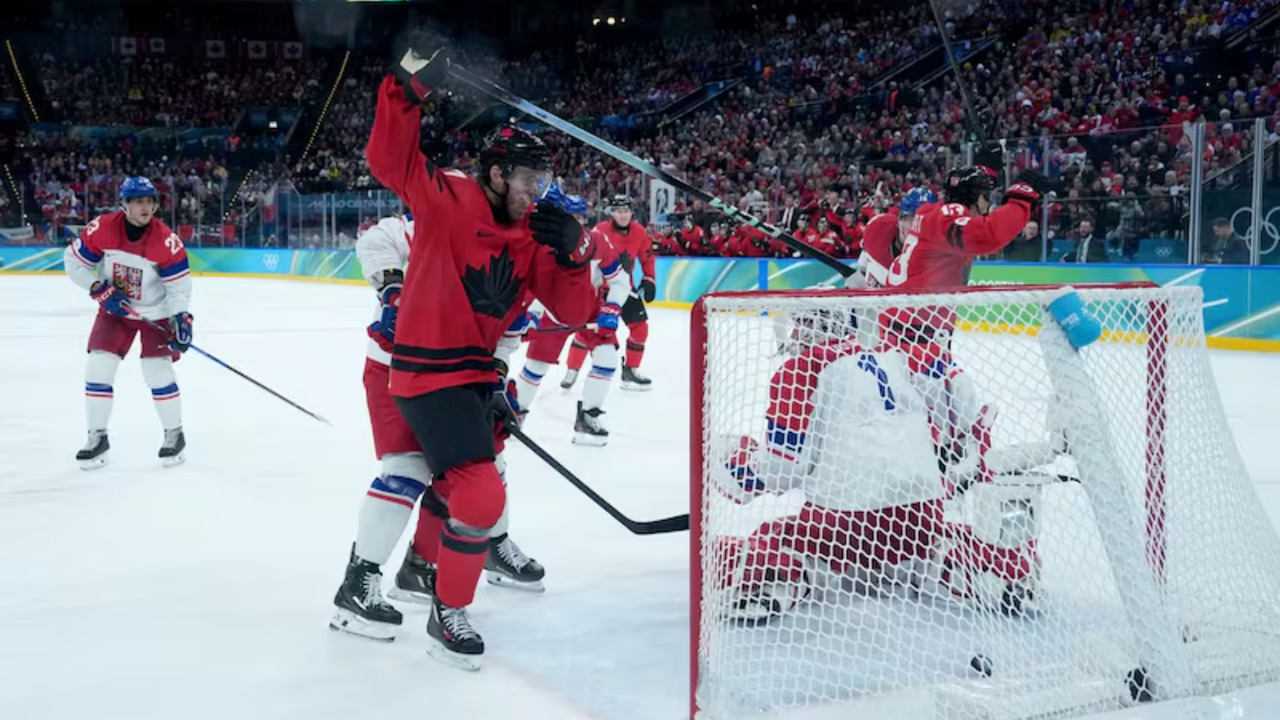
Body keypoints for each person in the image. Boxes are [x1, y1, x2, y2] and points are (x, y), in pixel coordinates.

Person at [360, 41, 597, 670]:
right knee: (480, 495)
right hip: (424, 372)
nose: (536, 190)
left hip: (473, 377)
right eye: (527, 179)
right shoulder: (450, 198)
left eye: (542, 180)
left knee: (473, 487)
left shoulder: (536, 233)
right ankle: (447, 608)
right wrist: (408, 88)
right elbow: (389, 159)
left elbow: (574, 313)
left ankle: (424, 572)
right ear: (495, 175)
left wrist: (574, 256)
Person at [715, 304, 1049, 622]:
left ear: (809, 328)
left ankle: (770, 588)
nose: (794, 333)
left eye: (799, 324)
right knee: (934, 546)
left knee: (774, 536)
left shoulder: (801, 371)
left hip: (841, 524)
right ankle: (995, 580)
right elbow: (957, 416)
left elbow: (780, 471)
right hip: (920, 515)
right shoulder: (896, 354)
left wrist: (732, 462)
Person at [329, 213, 546, 645]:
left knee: (481, 468)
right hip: (396, 368)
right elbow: (379, 238)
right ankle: (357, 586)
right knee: (407, 470)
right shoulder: (441, 221)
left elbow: (507, 335)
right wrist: (393, 292)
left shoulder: (518, 258)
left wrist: (496, 378)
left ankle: (426, 567)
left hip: (460, 379)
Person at [64, 176, 193, 470]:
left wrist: (181, 317)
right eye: (138, 201)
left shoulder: (165, 240)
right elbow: (73, 262)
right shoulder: (104, 228)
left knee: (156, 371)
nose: (145, 207)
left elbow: (179, 287)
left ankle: (175, 434)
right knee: (98, 365)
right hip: (116, 309)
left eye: (149, 201)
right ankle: (97, 437)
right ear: (125, 204)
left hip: (155, 311)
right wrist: (97, 287)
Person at [514, 187, 630, 445]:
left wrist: (612, 308)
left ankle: (588, 416)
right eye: (570, 216)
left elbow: (621, 280)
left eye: (578, 217)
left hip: (591, 310)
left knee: (607, 358)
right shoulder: (539, 246)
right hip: (554, 311)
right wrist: (529, 316)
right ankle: (516, 413)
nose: (575, 223)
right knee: (536, 366)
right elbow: (531, 286)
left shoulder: (598, 242)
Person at [563, 194, 655, 391]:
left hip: (624, 288)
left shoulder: (640, 232)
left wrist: (649, 279)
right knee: (589, 330)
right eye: (619, 211)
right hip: (600, 289)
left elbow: (647, 257)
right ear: (612, 213)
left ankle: (630, 370)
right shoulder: (600, 230)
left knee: (640, 329)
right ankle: (572, 370)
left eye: (626, 211)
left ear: (632, 213)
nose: (623, 215)